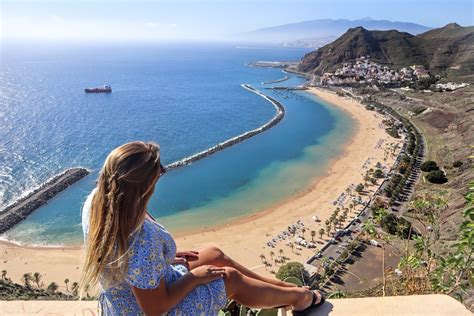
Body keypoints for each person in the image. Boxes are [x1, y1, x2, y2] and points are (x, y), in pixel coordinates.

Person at [80, 141, 325, 315]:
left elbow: (131, 260)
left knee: (213, 255)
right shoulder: (143, 238)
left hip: (127, 296)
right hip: (143, 309)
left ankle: (285, 289)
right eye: (158, 173)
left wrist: (164, 258)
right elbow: (155, 308)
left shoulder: (97, 202)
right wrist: (192, 279)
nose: (161, 175)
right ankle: (300, 298)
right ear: (142, 187)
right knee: (230, 279)